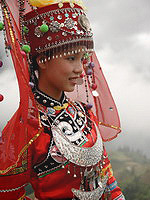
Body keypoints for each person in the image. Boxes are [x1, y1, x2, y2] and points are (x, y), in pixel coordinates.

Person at [0, 0, 125, 199]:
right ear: (42, 60)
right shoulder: (26, 128)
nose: (80, 69)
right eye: (70, 58)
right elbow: (6, 193)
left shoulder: (84, 112)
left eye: (82, 59)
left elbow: (107, 178)